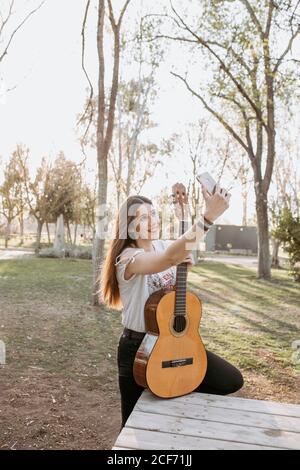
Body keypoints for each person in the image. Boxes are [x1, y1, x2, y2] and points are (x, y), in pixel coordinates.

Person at [100, 185, 244, 429]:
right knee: (135, 428)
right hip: (139, 348)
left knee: (231, 380)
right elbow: (169, 258)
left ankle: (176, 398)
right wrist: (207, 218)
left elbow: (177, 255)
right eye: (142, 218)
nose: (151, 221)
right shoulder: (126, 259)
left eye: (153, 214)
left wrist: (185, 234)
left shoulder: (162, 245)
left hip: (173, 343)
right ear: (128, 226)